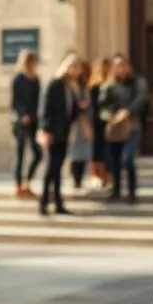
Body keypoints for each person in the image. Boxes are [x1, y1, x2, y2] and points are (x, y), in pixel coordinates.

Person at [99, 54, 147, 204]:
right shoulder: (108, 85)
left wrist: (127, 111)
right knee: (114, 160)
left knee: (127, 158)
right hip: (114, 128)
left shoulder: (138, 82)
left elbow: (141, 99)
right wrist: (109, 116)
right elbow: (102, 106)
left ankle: (132, 192)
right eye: (117, 65)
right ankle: (116, 191)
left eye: (123, 65)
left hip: (131, 126)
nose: (121, 68)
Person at [37, 54, 81, 216]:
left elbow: (72, 112)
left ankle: (58, 203)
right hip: (52, 133)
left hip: (64, 133)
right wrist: (45, 130)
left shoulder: (70, 87)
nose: (76, 72)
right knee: (50, 168)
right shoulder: (54, 84)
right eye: (73, 68)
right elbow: (44, 109)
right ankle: (43, 202)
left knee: (58, 168)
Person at [10, 50, 42, 199]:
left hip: (34, 121)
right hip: (20, 122)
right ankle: (18, 186)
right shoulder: (18, 79)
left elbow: (38, 101)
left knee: (38, 154)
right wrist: (23, 115)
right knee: (20, 154)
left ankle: (27, 182)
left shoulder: (36, 79)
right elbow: (15, 102)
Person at [87, 58, 113, 190]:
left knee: (108, 150)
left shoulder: (112, 85)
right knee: (97, 150)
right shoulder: (93, 86)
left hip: (109, 122)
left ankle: (108, 176)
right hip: (96, 122)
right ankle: (98, 175)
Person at [68, 60, 94, 190]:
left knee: (84, 151)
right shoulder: (68, 85)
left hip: (85, 120)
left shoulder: (84, 85)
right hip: (74, 122)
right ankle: (75, 178)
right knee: (74, 152)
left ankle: (80, 178)